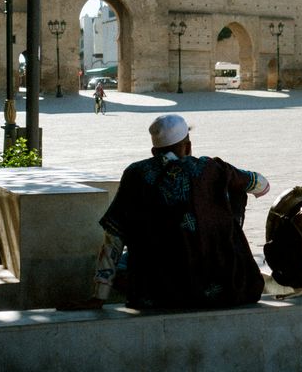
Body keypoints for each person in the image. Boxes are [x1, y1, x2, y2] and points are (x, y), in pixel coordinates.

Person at [90, 113, 271, 310]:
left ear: (154, 151)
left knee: (127, 260)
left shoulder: (135, 174)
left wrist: (99, 296)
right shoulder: (211, 169)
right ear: (188, 146)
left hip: (156, 294)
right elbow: (262, 185)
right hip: (219, 291)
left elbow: (114, 236)